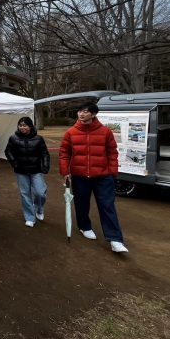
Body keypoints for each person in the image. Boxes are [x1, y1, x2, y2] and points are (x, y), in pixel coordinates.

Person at [59, 102, 129, 253]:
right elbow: (64, 154)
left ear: (93, 114)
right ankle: (84, 227)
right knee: (82, 204)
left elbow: (112, 153)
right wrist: (65, 172)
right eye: (79, 111)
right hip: (79, 176)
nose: (81, 114)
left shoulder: (105, 132)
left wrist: (112, 172)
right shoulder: (71, 132)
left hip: (103, 176)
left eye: (85, 111)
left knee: (107, 206)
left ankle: (115, 239)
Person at [5, 117, 50, 228]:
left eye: (25, 125)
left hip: (36, 170)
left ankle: (39, 208)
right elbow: (8, 151)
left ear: (30, 126)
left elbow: (45, 154)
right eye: (20, 125)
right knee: (25, 194)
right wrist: (14, 162)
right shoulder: (13, 138)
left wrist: (45, 166)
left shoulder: (39, 139)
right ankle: (30, 217)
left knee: (40, 193)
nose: (22, 127)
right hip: (21, 171)